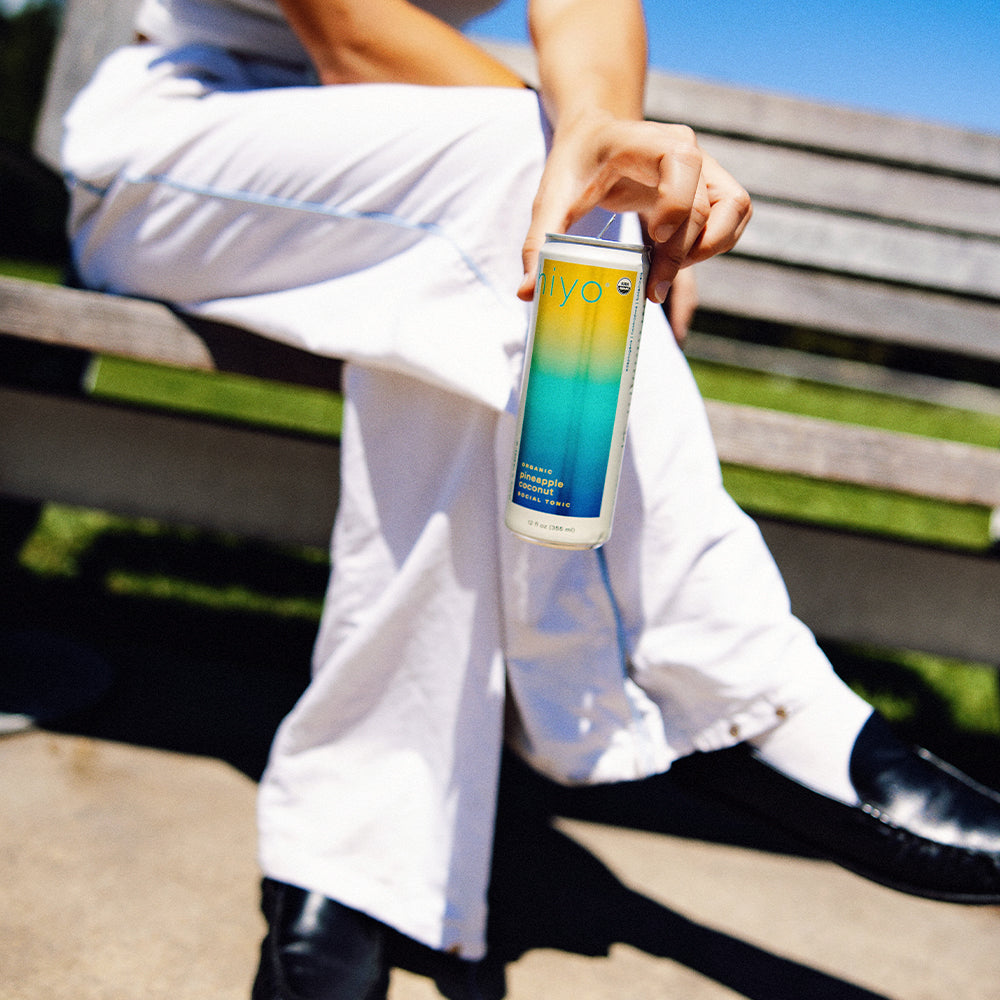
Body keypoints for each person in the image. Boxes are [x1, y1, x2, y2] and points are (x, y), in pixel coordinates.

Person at [60, 0, 1000, 996]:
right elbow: (350, 34)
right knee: (531, 173)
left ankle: (353, 858)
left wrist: (598, 140)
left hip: (414, 182)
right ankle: (736, 694)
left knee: (514, 240)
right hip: (181, 151)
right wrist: (593, 172)